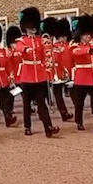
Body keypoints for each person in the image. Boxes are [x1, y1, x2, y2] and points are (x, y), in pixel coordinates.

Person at [13, 7, 59, 137]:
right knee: (26, 104)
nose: (32, 29)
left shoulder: (40, 40)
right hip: (27, 76)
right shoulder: (21, 41)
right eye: (30, 27)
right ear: (25, 27)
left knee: (41, 103)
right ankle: (27, 127)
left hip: (40, 76)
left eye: (34, 27)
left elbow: (46, 56)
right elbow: (18, 50)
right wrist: (25, 50)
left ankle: (48, 127)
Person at [5, 25, 23, 116]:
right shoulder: (8, 51)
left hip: (21, 75)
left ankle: (28, 107)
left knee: (24, 93)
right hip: (13, 76)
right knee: (11, 94)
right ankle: (9, 109)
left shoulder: (19, 50)